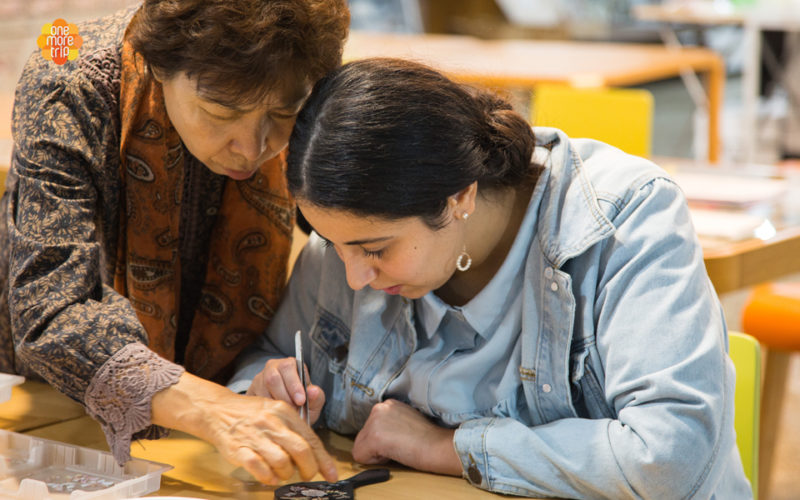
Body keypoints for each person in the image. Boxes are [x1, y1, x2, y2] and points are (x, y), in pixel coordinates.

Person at [229, 58, 753, 498]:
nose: (354, 276)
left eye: (375, 249)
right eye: (332, 244)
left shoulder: (625, 219)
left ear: (460, 196)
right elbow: (267, 355)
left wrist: (445, 448)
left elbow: (670, 454)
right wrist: (262, 390)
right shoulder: (353, 235)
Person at [0, 0, 349, 484]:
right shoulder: (68, 80)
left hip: (229, 415)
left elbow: (349, 237)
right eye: (221, 110)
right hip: (55, 412)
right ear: (160, 66)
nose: (253, 148)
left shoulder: (304, 76)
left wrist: (255, 386)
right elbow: (51, 308)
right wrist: (212, 407)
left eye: (283, 113)